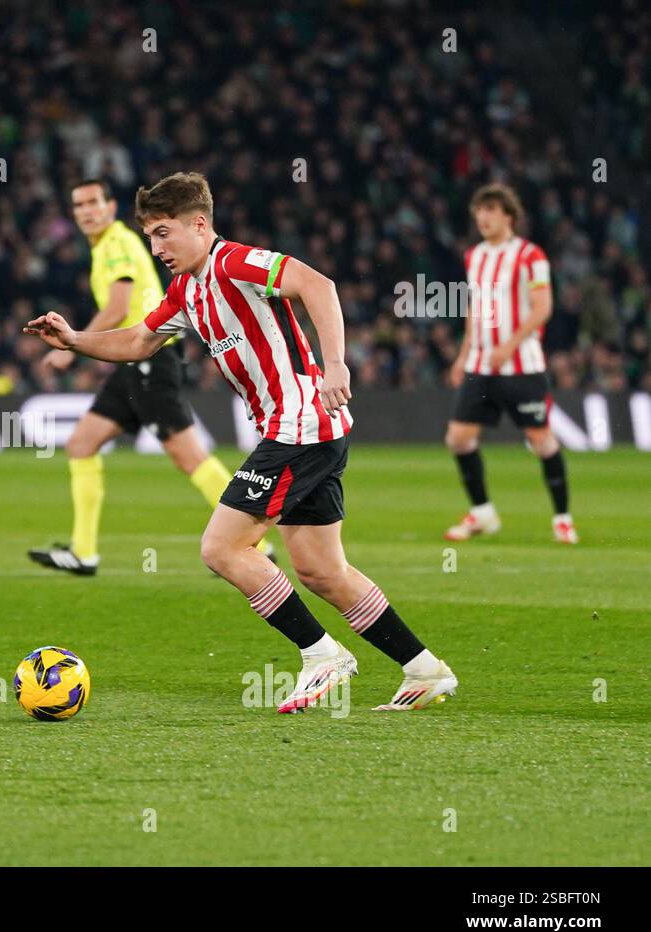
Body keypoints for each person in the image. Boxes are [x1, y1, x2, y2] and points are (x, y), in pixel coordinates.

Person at [24, 172, 458, 712]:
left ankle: (323, 655)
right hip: (306, 430)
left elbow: (317, 285)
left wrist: (336, 363)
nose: (156, 248)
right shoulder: (185, 290)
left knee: (221, 548)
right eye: (151, 237)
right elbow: (137, 340)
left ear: (199, 224)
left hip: (299, 424)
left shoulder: (235, 262)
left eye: (163, 234)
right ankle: (424, 669)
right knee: (322, 570)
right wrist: (73, 339)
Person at [29, 179, 272, 575]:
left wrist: (72, 348)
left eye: (94, 202)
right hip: (133, 364)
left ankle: (256, 542)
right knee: (81, 444)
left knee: (189, 456)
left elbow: (118, 306)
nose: (86, 211)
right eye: (78, 205)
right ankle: (83, 552)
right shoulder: (107, 245)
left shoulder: (118, 243)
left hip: (149, 358)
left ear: (110, 207)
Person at [444, 183, 575, 543]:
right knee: (458, 438)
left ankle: (562, 517)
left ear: (509, 215)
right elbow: (474, 307)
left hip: (522, 366)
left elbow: (543, 308)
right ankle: (483, 513)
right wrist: (464, 353)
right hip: (481, 366)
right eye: (479, 211)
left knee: (541, 440)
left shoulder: (531, 256)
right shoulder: (475, 256)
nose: (482, 217)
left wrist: (510, 344)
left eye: (490, 210)